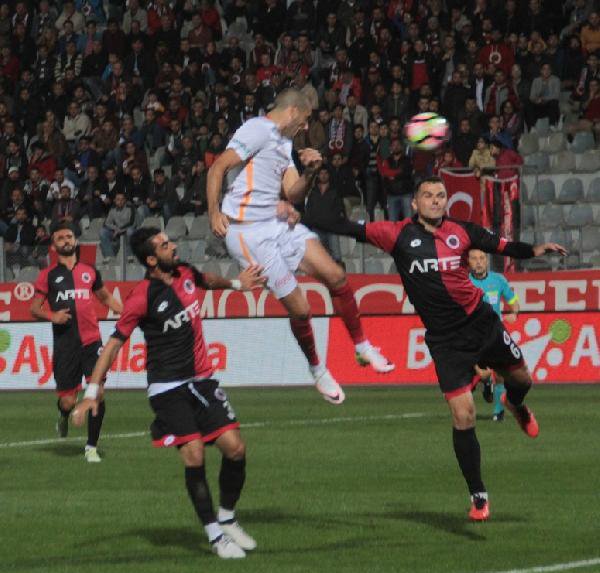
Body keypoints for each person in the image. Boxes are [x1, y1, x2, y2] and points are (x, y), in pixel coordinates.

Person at [305, 176, 566, 520]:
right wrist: (300, 215)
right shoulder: (395, 233)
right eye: (427, 196)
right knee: (464, 414)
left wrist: (533, 249)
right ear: (414, 203)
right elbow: (344, 227)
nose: (435, 201)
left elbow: (503, 246)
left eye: (440, 196)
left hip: (482, 324)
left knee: (522, 380)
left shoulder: (463, 231)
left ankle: (515, 404)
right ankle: (479, 496)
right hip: (445, 342)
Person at [71, 227, 265, 559]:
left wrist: (236, 284)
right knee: (194, 454)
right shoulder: (141, 297)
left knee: (236, 449)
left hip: (202, 380)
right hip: (167, 387)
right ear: (150, 259)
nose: (172, 245)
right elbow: (114, 344)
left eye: (169, 241)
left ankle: (228, 518)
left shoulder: (186, 272)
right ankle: (216, 537)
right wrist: (92, 391)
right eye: (164, 245)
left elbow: (208, 281)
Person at [207, 89, 394, 406]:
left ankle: (362, 347)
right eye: (305, 120)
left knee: (336, 275)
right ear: (293, 111)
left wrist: (310, 171)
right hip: (247, 233)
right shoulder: (256, 129)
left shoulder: (283, 142)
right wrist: (213, 210)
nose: (306, 127)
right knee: (302, 309)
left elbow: (293, 193)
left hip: (276, 224)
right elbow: (218, 167)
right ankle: (318, 370)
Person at [30, 223, 123, 462]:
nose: (66, 240)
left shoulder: (89, 271)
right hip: (65, 345)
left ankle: (91, 447)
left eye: (69, 236)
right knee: (68, 400)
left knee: (98, 393)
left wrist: (128, 313)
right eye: (60, 238)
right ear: (54, 245)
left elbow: (105, 297)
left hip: (92, 343)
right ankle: (63, 415)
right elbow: (33, 308)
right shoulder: (48, 275)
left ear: (75, 241)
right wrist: (53, 316)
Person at [468, 249, 520, 421]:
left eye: (482, 258)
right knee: (469, 381)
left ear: (487, 261)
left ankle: (498, 413)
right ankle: (483, 381)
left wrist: (514, 313)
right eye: (474, 258)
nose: (478, 262)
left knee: (500, 375)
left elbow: (513, 302)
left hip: (495, 334)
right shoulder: (463, 282)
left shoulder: (498, 280)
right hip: (471, 336)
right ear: (468, 261)